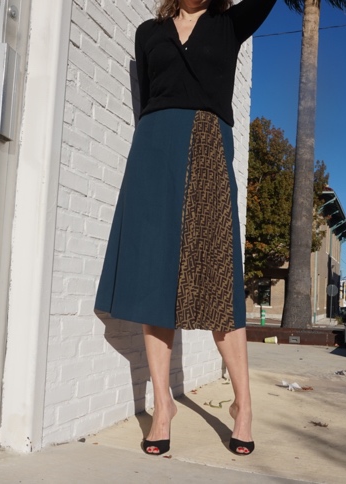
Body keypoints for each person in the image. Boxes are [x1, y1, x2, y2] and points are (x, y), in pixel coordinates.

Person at [95, 0, 276, 457]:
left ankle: (244, 407)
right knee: (157, 274)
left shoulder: (230, 23)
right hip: (154, 148)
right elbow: (147, 97)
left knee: (219, 279)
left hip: (207, 145)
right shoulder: (147, 32)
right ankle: (162, 408)